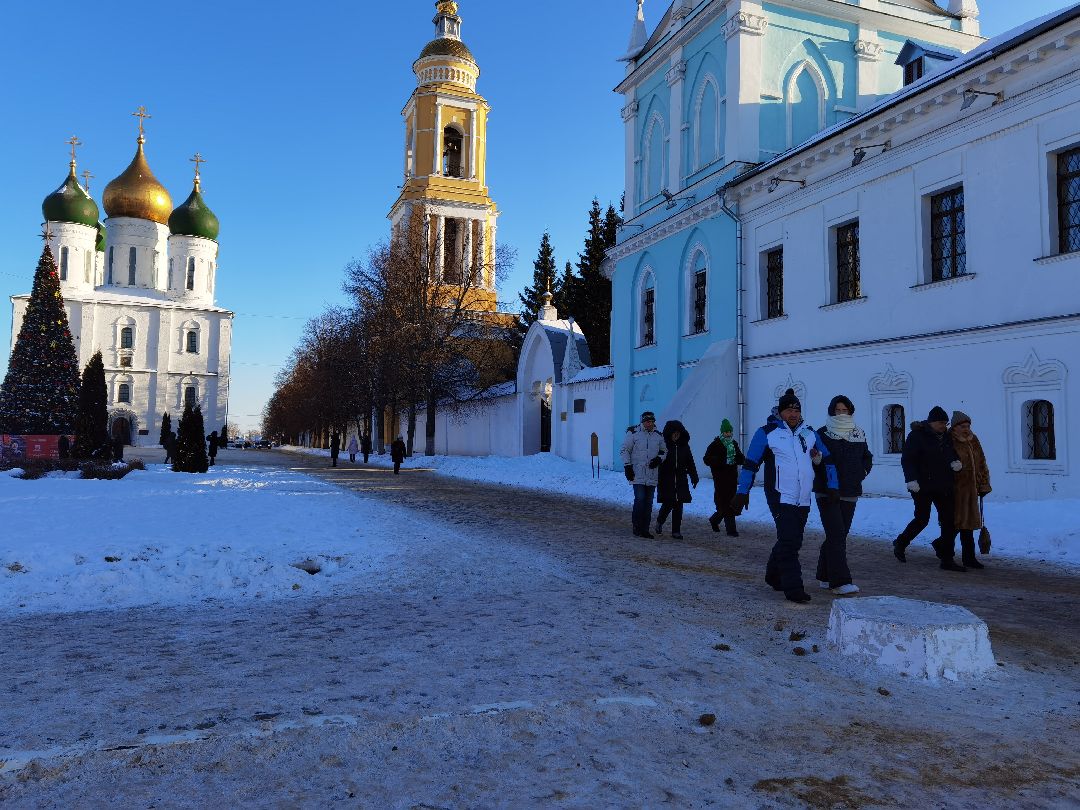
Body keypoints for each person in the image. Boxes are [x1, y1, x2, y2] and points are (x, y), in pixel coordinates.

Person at [732, 388, 839, 604]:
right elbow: (751, 463)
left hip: (803, 498)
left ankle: (773, 575)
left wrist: (833, 486)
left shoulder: (809, 433)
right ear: (780, 412)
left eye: (796, 410)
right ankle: (793, 588)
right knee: (790, 541)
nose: (793, 414)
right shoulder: (767, 432)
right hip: (780, 496)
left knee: (791, 539)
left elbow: (828, 460)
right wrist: (742, 492)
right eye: (788, 410)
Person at [813, 395, 873, 596]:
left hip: (850, 491)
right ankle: (839, 582)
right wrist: (817, 461)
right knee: (837, 534)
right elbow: (815, 459)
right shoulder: (822, 433)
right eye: (837, 410)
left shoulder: (858, 433)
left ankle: (824, 574)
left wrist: (862, 472)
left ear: (850, 411)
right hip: (827, 492)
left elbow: (867, 456)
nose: (841, 414)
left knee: (838, 534)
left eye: (844, 410)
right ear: (832, 411)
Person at [893, 406, 965, 571]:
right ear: (931, 422)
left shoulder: (945, 436)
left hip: (944, 484)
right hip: (922, 486)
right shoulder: (917, 436)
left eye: (945, 423)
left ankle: (947, 559)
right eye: (941, 423)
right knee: (922, 519)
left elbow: (950, 452)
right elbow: (908, 459)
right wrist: (911, 480)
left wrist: (955, 461)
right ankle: (901, 542)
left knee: (949, 520)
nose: (943, 426)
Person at [949, 411, 991, 570]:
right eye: (962, 426)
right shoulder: (950, 440)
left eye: (968, 426)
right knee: (956, 523)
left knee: (968, 524)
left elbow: (982, 462)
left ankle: (969, 557)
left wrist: (984, 484)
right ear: (955, 427)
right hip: (956, 489)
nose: (966, 429)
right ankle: (947, 551)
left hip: (972, 489)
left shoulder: (974, 440)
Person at [620, 410, 668, 538]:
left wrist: (659, 459)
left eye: (652, 421)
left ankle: (645, 529)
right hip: (637, 473)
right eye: (647, 421)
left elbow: (664, 451)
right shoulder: (634, 433)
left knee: (648, 502)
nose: (650, 423)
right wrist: (627, 466)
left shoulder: (658, 435)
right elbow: (624, 450)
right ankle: (637, 526)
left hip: (652, 474)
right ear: (643, 421)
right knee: (640, 499)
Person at [655, 420, 699, 540]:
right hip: (666, 479)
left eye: (678, 433)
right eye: (674, 433)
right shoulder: (663, 445)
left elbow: (690, 462)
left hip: (680, 479)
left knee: (679, 504)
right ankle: (660, 521)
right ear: (669, 433)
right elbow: (657, 461)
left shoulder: (684, 445)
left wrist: (694, 475)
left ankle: (676, 531)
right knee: (668, 503)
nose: (676, 435)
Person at [702, 419, 744, 536]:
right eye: (726, 432)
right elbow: (706, 459)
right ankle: (731, 530)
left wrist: (738, 459)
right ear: (722, 432)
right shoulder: (715, 444)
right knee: (725, 503)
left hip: (731, 479)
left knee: (729, 503)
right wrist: (720, 461)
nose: (728, 434)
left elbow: (740, 457)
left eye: (730, 432)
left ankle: (714, 520)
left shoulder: (733, 444)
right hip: (720, 479)